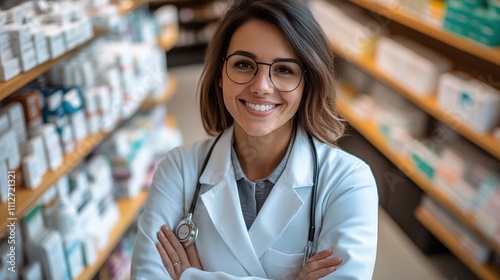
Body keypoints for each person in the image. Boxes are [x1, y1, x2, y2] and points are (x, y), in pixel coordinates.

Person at [131, 0, 378, 279]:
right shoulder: (178, 169)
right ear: (220, 75)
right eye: (244, 65)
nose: (261, 86)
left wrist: (191, 276)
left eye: (284, 69)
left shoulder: (348, 182)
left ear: (307, 83)